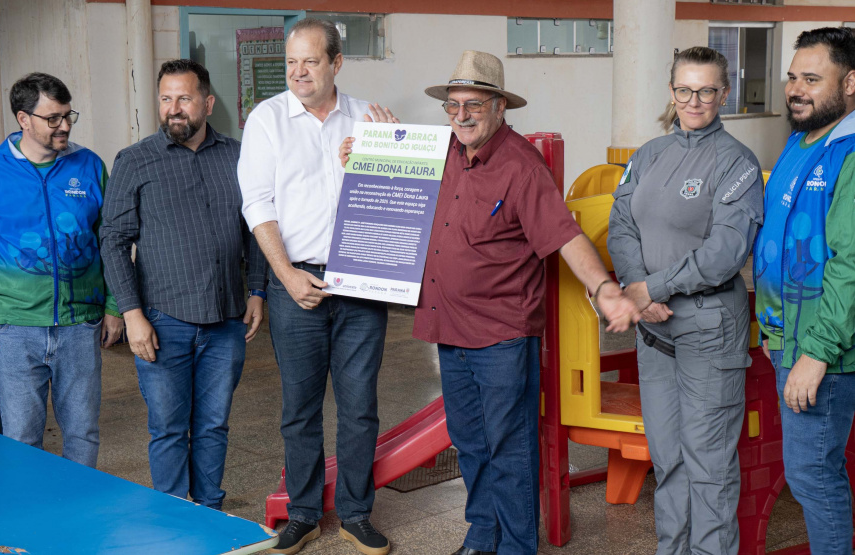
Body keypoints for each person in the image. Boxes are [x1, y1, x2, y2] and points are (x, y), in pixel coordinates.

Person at [364, 50, 635, 555]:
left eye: (473, 105)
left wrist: (604, 289)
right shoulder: (443, 150)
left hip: (501, 336)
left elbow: (566, 236)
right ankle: (481, 533)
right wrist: (371, 148)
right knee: (469, 443)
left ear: (499, 107)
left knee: (510, 449)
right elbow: (393, 186)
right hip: (448, 329)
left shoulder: (521, 168)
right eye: (452, 105)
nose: (460, 115)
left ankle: (515, 546)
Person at [238, 18, 398, 555]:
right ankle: (304, 512)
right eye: (291, 62)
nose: (298, 71)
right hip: (296, 280)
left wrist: (387, 154)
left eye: (309, 61)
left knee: (359, 406)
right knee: (300, 407)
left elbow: (395, 199)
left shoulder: (366, 117)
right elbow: (257, 204)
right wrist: (284, 275)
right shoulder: (267, 121)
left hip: (361, 280)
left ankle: (355, 512)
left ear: (336, 63)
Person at [607, 46, 764, 555]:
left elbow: (723, 254)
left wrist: (650, 289)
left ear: (724, 93)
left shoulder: (736, 162)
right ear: (670, 91)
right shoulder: (649, 154)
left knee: (709, 465)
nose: (693, 101)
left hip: (708, 329)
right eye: (683, 89)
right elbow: (621, 224)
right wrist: (638, 288)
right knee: (668, 458)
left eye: (705, 90)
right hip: (654, 331)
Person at [99, 59, 267, 511]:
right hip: (161, 319)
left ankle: (209, 509)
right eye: (165, 98)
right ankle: (174, 516)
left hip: (226, 319)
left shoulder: (237, 156)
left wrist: (256, 289)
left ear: (207, 103)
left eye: (185, 98)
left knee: (213, 424)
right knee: (169, 427)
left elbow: (255, 226)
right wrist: (131, 315)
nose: (174, 109)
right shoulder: (134, 161)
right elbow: (113, 242)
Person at [0, 73, 125, 466]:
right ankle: (31, 519)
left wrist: (115, 306)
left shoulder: (89, 165)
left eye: (67, 115)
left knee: (82, 433)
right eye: (52, 118)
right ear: (23, 119)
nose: (64, 126)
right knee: (21, 438)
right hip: (13, 328)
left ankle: (77, 514)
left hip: (80, 323)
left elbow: (111, 241)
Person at [753, 27, 855, 555]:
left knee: (813, 476)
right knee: (808, 474)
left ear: (851, 82)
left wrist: (817, 352)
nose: (796, 89)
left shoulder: (850, 152)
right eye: (793, 76)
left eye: (813, 79)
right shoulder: (800, 141)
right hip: (785, 342)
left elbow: (850, 264)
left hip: (822, 350)